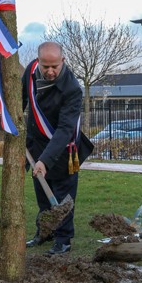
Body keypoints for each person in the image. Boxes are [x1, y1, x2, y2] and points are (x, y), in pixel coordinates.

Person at [22, 41, 93, 255]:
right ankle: (45, 232)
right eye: (46, 66)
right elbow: (21, 101)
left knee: (63, 197)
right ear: (38, 61)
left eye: (55, 66)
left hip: (63, 149)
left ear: (63, 61)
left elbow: (65, 129)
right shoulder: (30, 71)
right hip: (36, 144)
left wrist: (45, 160)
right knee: (42, 196)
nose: (50, 71)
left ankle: (63, 239)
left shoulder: (72, 89)